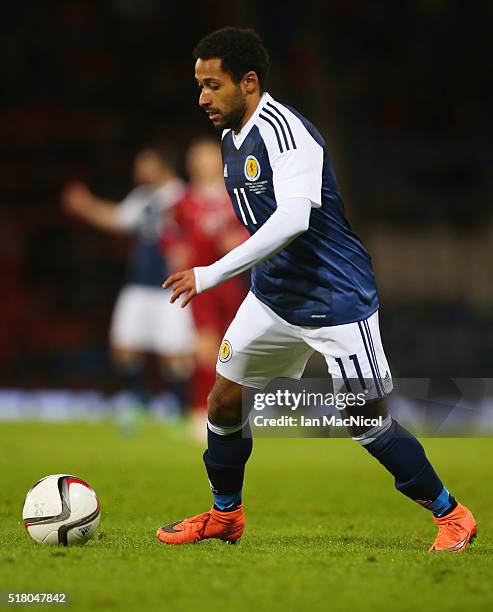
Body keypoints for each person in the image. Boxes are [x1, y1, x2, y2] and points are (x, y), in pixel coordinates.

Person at [156, 27, 476, 552]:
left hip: (335, 298)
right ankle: (225, 515)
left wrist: (210, 272)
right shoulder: (231, 140)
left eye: (213, 85)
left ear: (249, 81)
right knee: (223, 401)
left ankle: (452, 513)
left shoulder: (287, 133)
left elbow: (292, 221)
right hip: (274, 296)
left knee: (365, 421)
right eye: (200, 85)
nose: (202, 98)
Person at [62, 147, 195, 412]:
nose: (138, 171)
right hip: (137, 285)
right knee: (124, 348)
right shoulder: (143, 197)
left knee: (176, 356)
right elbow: (117, 218)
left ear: (163, 166)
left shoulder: (185, 196)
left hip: (172, 286)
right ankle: (139, 401)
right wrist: (86, 206)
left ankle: (178, 406)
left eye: (144, 164)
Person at [161, 138, 248, 438]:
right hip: (202, 285)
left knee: (235, 349)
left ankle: (233, 411)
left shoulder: (235, 197)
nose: (202, 164)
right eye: (197, 158)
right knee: (205, 348)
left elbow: (256, 231)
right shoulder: (183, 201)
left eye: (208, 157)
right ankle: (200, 410)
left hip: (233, 282)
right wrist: (176, 249)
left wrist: (240, 240)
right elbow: (169, 233)